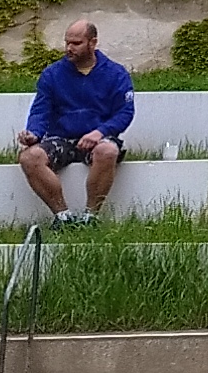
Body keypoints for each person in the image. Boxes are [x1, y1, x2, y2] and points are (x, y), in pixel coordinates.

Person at [17, 19, 133, 225]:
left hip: (99, 137)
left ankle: (91, 216)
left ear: (93, 42)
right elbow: (40, 111)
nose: (69, 48)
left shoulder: (116, 74)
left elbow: (125, 112)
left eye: (76, 43)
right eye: (67, 42)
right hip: (60, 138)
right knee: (29, 157)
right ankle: (63, 216)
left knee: (107, 151)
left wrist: (100, 132)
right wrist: (33, 133)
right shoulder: (52, 75)